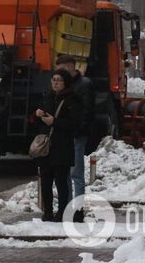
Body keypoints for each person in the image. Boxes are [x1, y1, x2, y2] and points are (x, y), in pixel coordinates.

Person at [32, 68, 79, 222]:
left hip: (62, 146)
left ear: (65, 83)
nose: (55, 83)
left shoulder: (72, 99)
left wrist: (55, 122)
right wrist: (38, 115)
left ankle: (62, 212)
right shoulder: (47, 97)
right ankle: (48, 212)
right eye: (53, 80)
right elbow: (36, 122)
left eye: (59, 80)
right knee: (45, 180)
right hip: (46, 146)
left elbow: (74, 124)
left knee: (61, 182)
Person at [55, 55, 95, 222]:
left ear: (72, 67)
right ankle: (68, 207)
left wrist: (80, 131)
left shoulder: (84, 85)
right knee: (65, 172)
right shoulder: (67, 85)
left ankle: (78, 210)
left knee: (76, 173)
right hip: (65, 135)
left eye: (63, 69)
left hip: (76, 135)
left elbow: (87, 111)